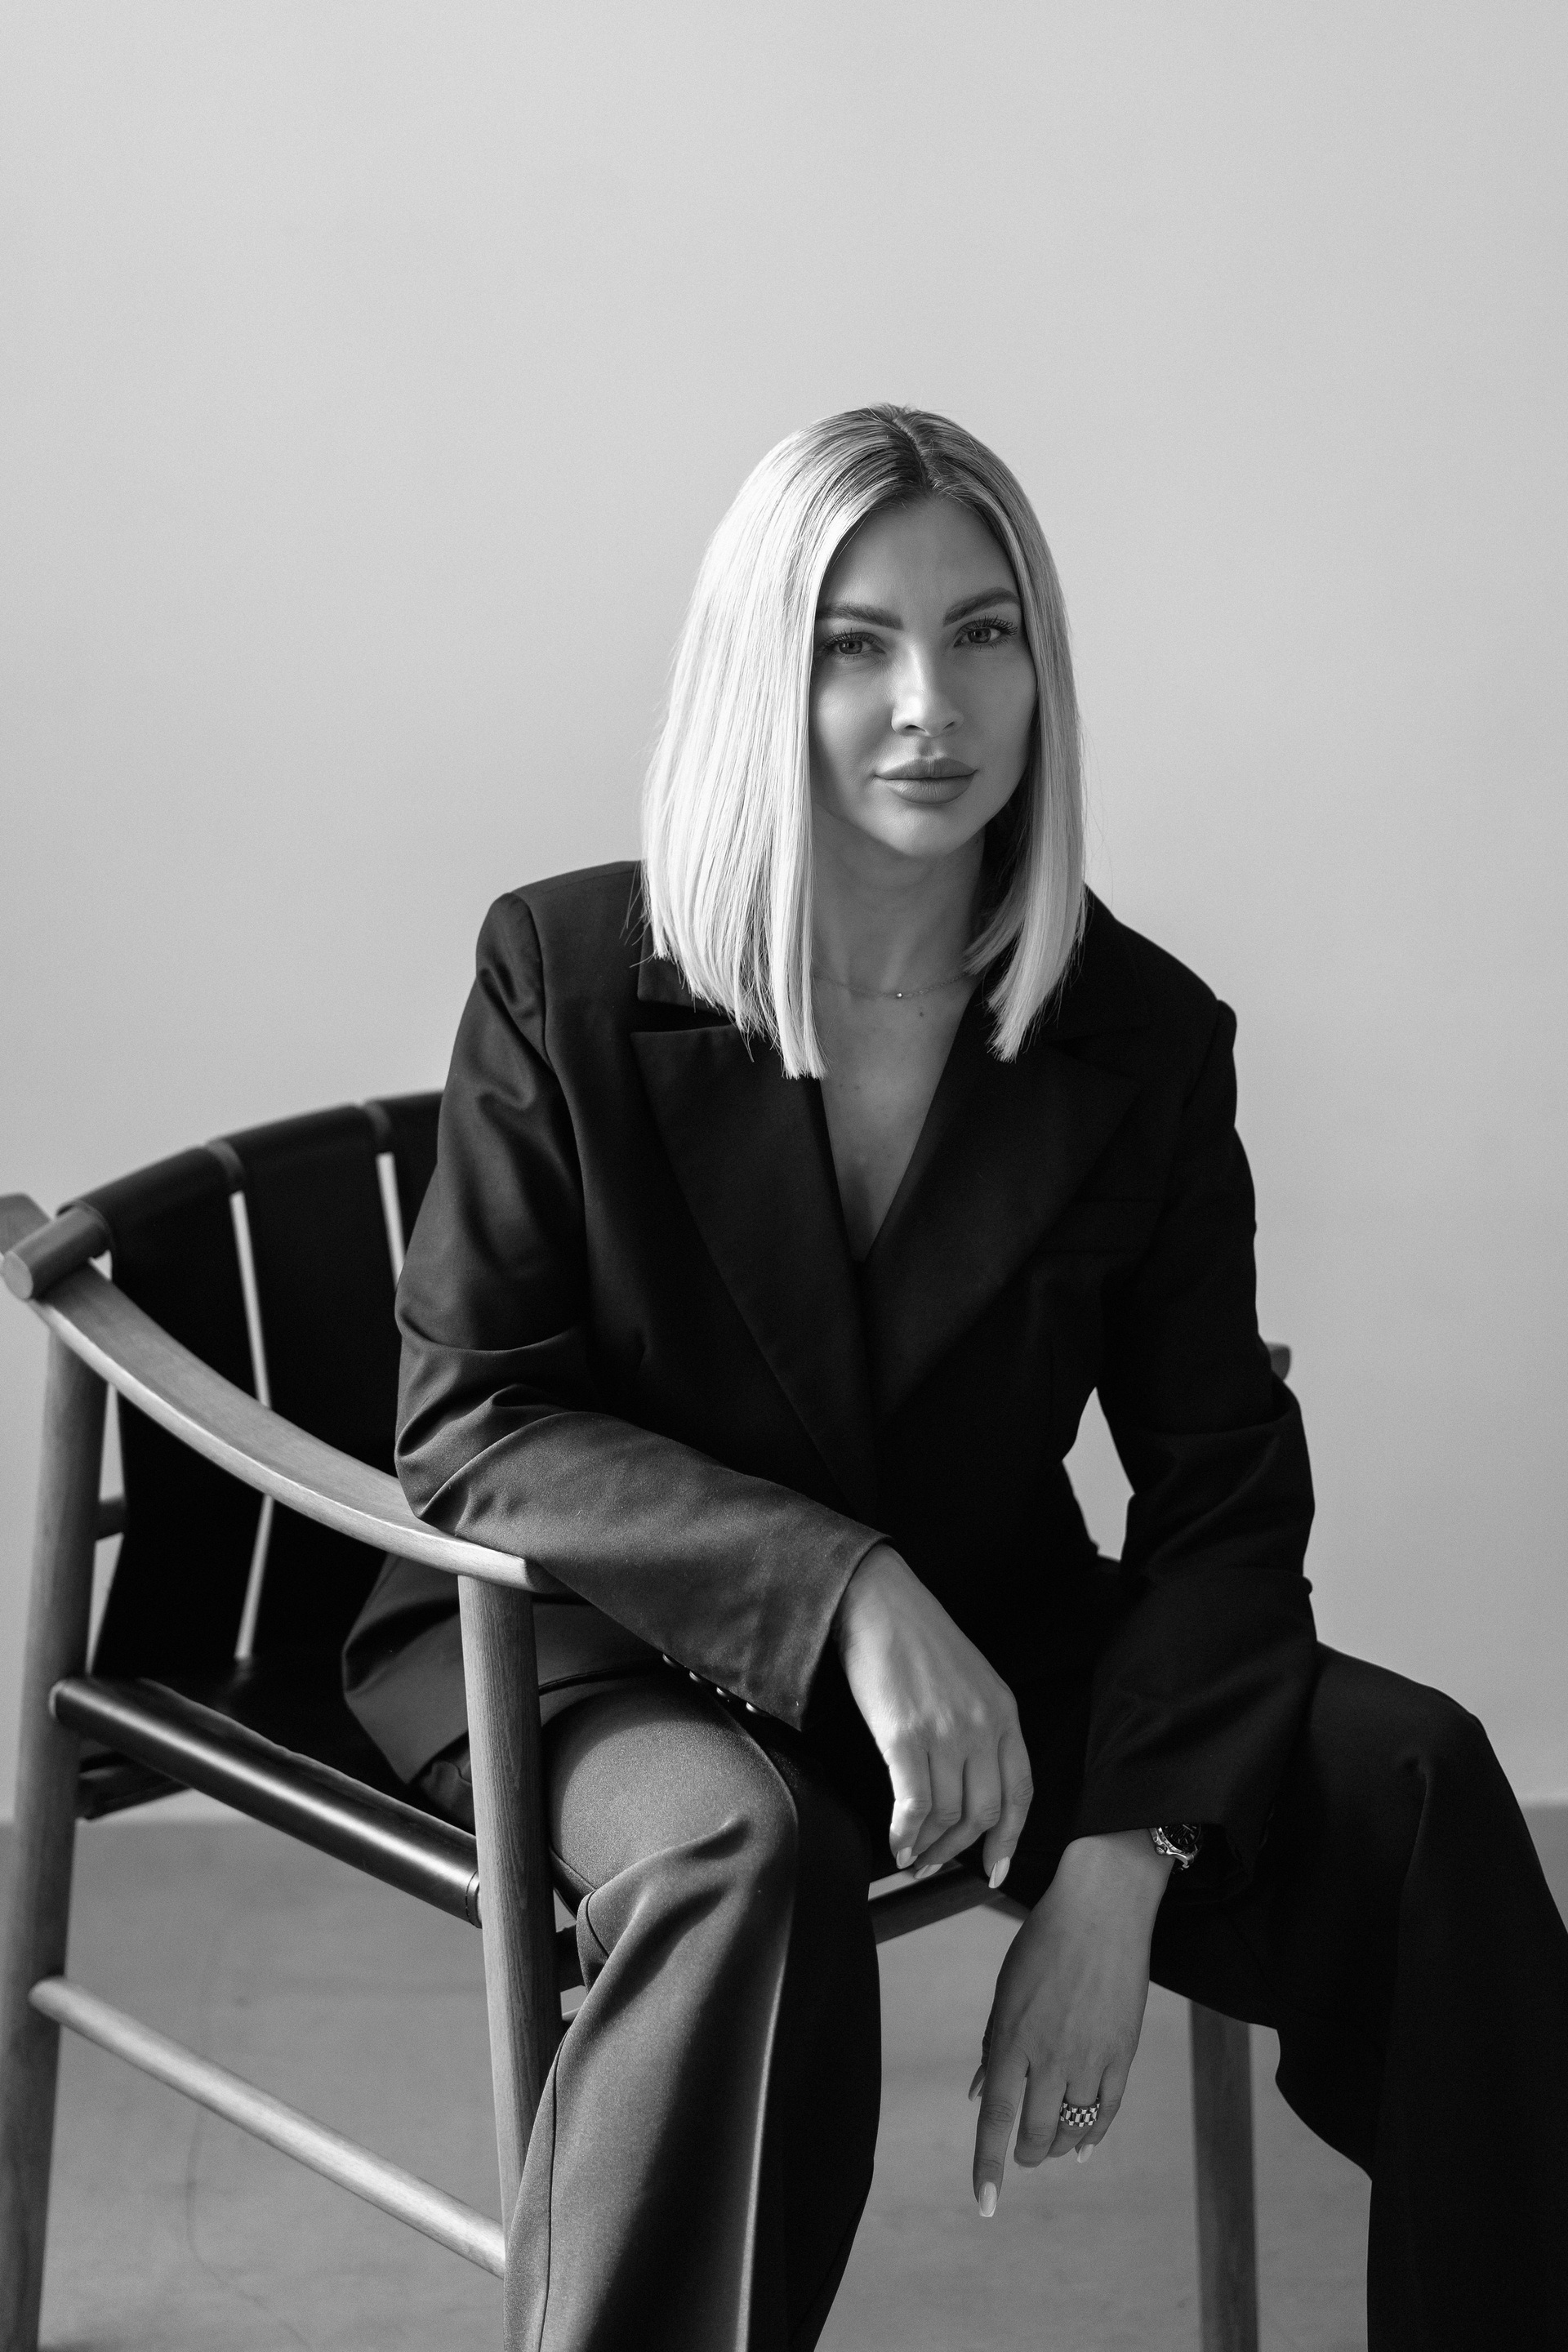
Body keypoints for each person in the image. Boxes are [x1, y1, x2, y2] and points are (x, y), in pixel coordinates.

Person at [343, 405, 1568, 2352]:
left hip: (992, 1653)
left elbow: (1224, 1485)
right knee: (744, 1857)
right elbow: (476, 1414)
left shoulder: (1142, 1035)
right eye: (858, 644)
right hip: (584, 1639)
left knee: (1418, 1790)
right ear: (766, 673)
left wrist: (1128, 1847)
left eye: (983, 633)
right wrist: (845, 1588)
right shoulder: (563, 969)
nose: (933, 705)